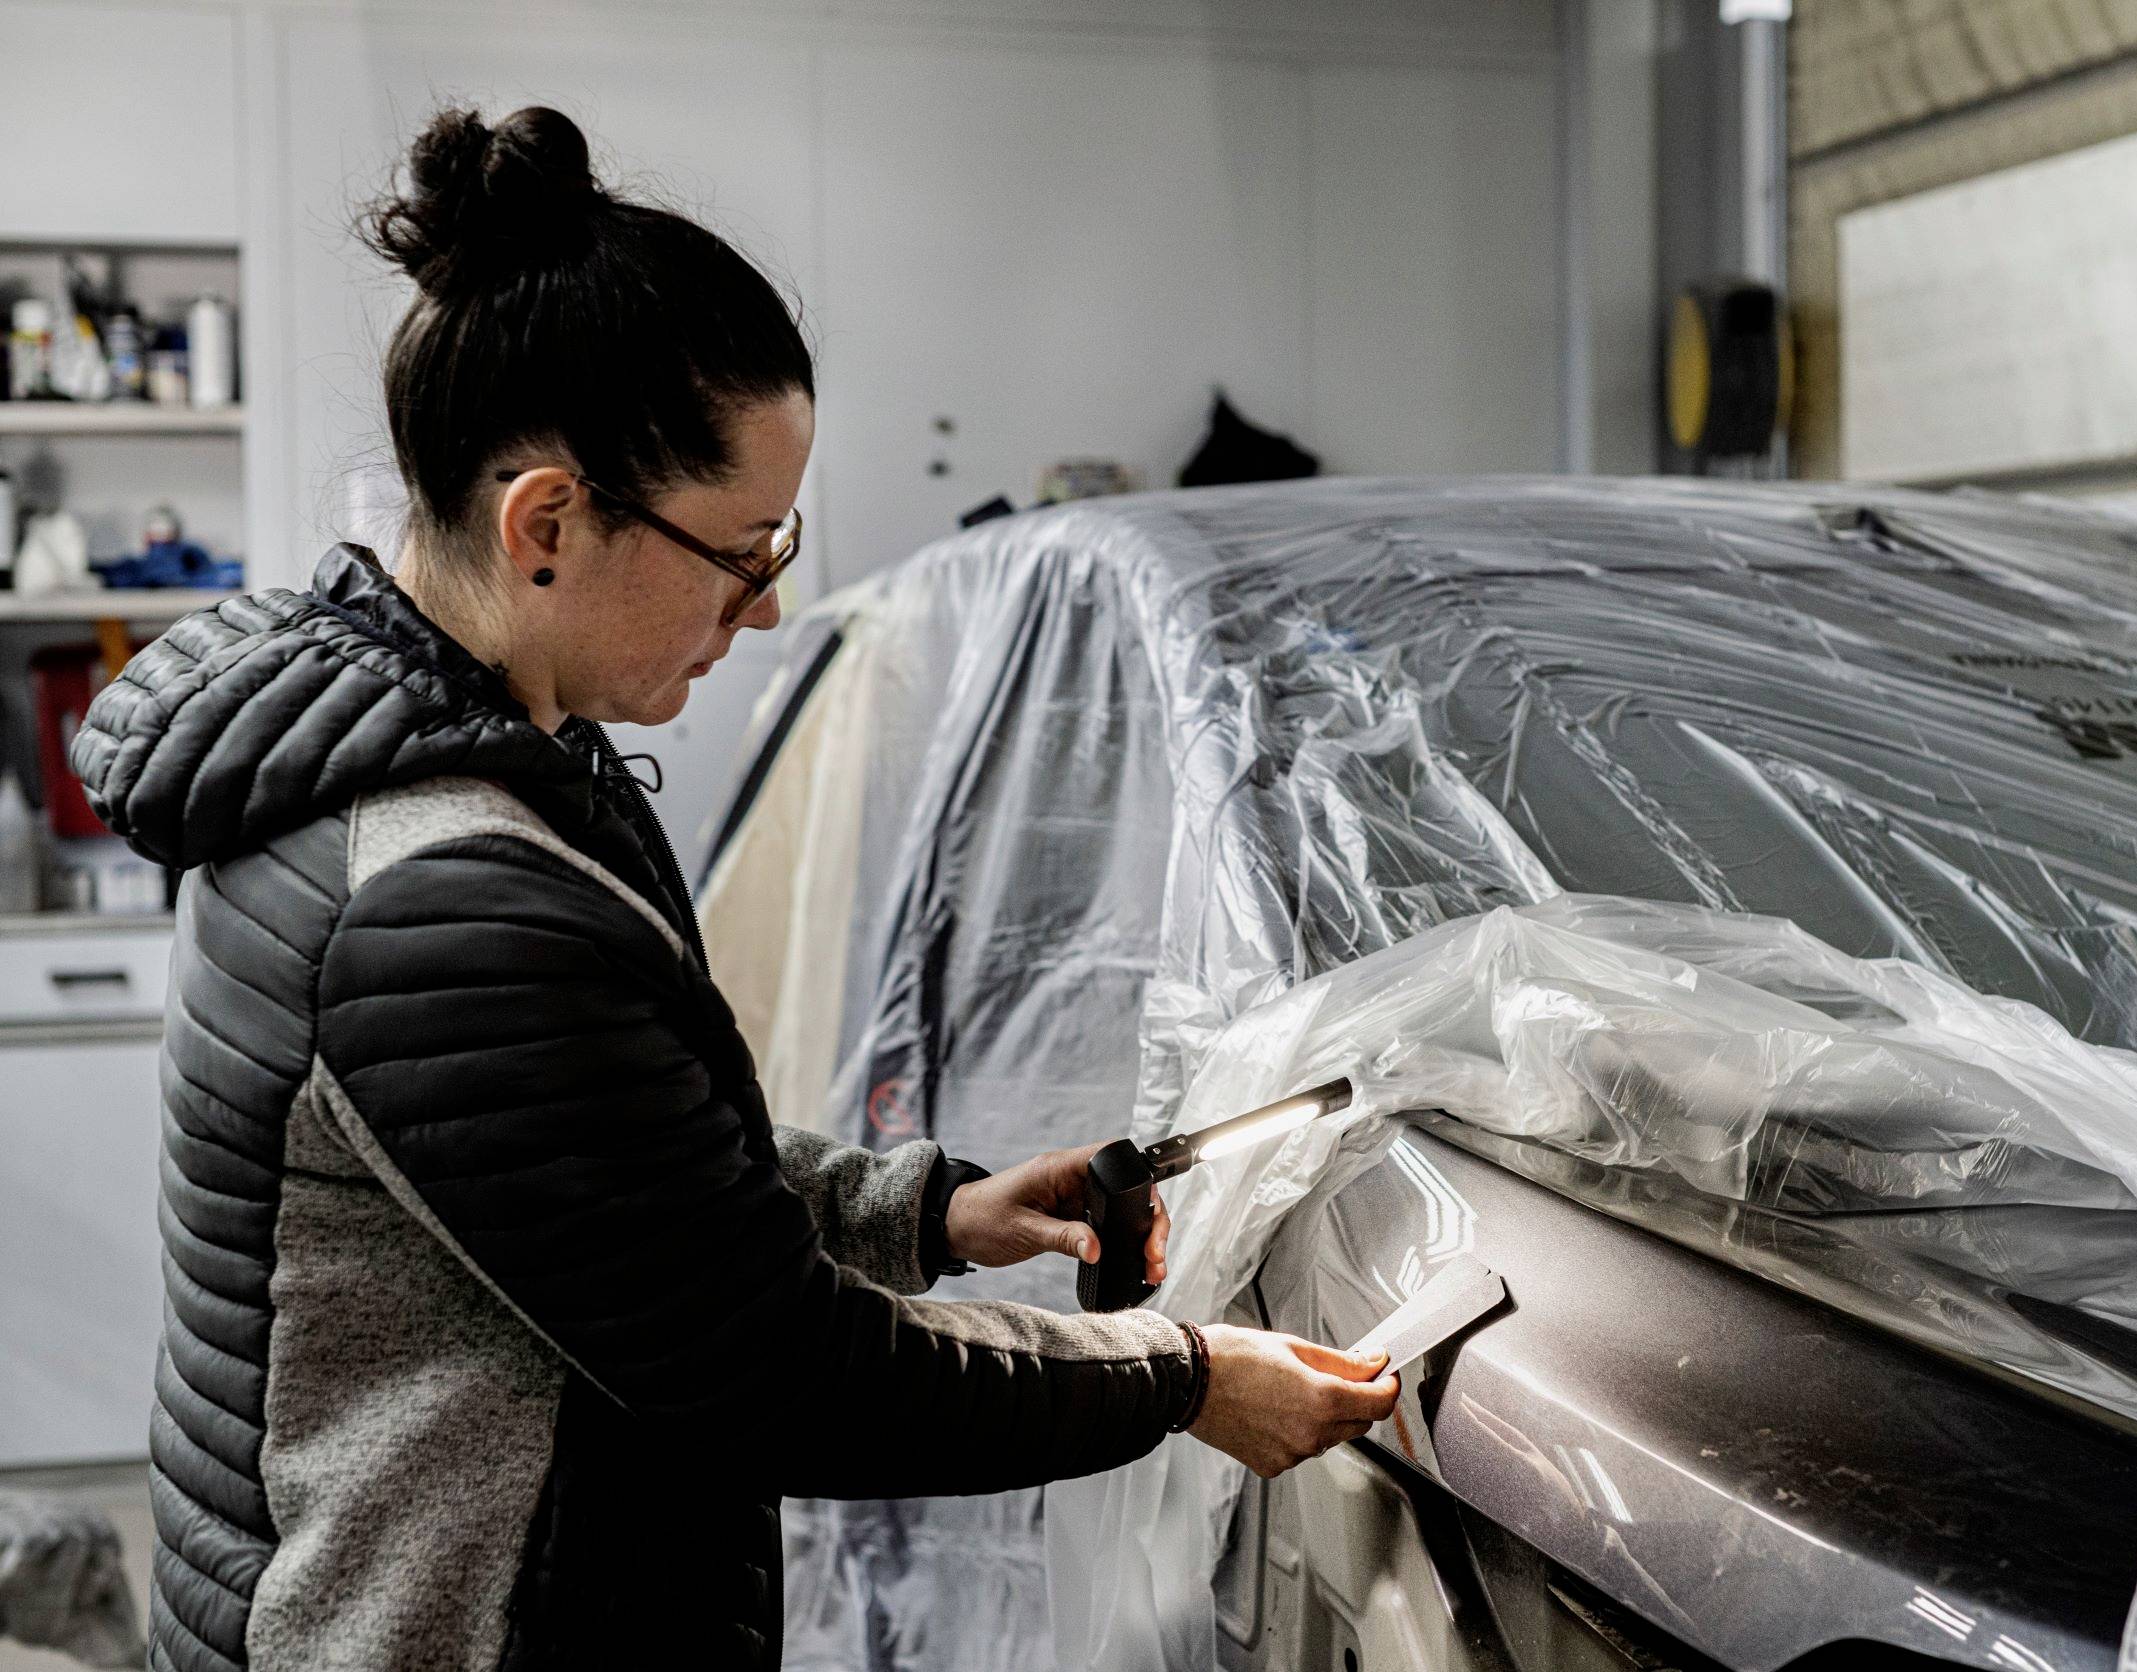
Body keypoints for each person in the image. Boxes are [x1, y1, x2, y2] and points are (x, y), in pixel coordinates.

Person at [72, 105, 1397, 1672]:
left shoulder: (436, 766)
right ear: (548, 523)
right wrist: (1180, 1378)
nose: (764, 613)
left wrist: (936, 1215)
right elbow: (781, 1371)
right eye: (747, 552)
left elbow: (625, 1181)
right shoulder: (443, 901)